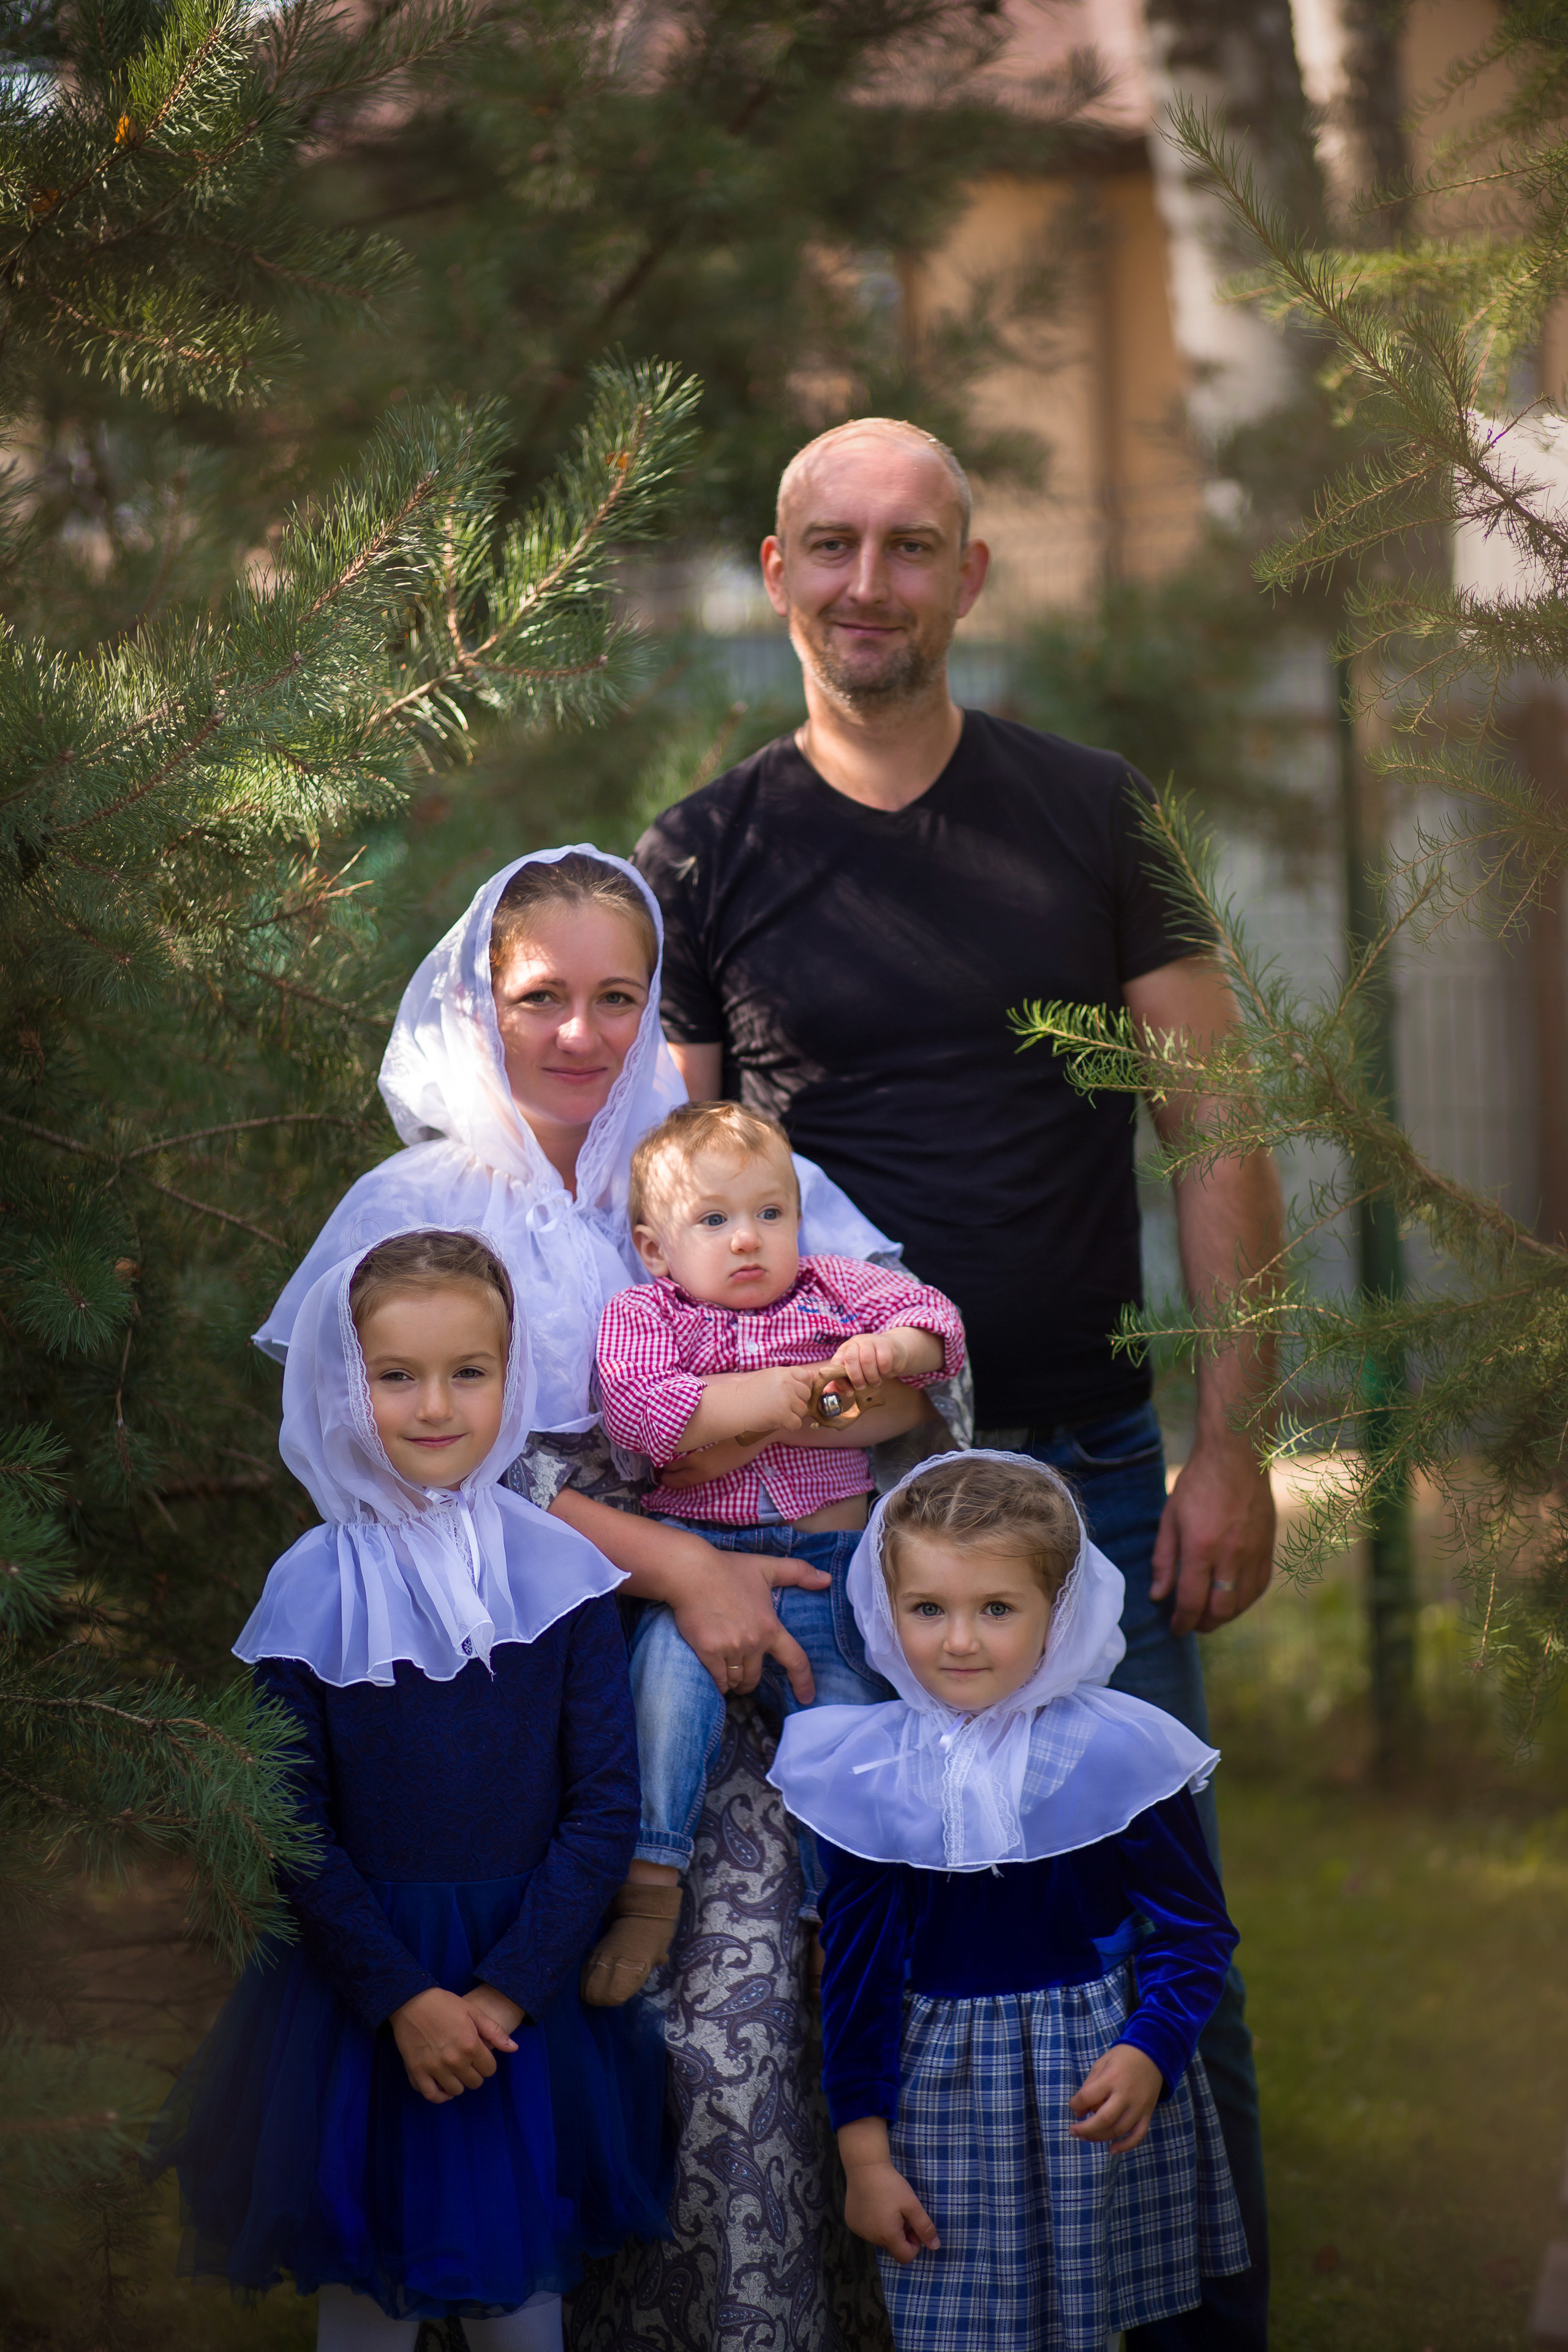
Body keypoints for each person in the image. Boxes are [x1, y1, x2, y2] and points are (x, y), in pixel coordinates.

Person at [635, 416, 1284, 2346]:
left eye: (911, 548)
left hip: (1078, 1484)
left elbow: (1220, 1137)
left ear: (972, 578)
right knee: (872, 1950)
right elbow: (662, 1218)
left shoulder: (1095, 815)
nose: (868, 584)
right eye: (829, 546)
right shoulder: (706, 851)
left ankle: (1204, 2322)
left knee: (1159, 1941)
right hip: (825, 1527)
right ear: (774, 573)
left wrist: (1236, 1444)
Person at [257, 849, 948, 2348]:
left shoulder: (717, 1160)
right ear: (473, 999)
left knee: (752, 2039)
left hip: (779, 1626)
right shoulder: (421, 1201)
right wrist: (683, 1555)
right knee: (597, 2038)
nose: (580, 1034)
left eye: (615, 999)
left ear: (655, 1009)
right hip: (526, 1672)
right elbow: (414, 1466)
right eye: (540, 997)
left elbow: (904, 1391)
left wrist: (725, 1435)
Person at [144, 1229, 671, 2351]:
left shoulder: (561, 1577)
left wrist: (502, 1995)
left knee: (522, 2313)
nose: (436, 1406)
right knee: (362, 2303)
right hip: (360, 1993)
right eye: (396, 1376)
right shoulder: (310, 1584)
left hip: (519, 1991)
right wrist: (406, 2001)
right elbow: (287, 1819)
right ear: (347, 1383)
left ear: (511, 1375)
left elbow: (603, 1808)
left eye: (468, 1372)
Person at [770, 1452, 1248, 2351]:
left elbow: (1196, 1933)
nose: (959, 1641)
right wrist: (865, 2157)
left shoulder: (1117, 1755)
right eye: (928, 1609)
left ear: (1056, 1615)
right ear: (886, 1609)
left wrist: (1152, 2050)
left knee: (1090, 2327)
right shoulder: (876, 1774)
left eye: (996, 1609)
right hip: (943, 2105)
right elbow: (858, 1976)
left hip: (1089, 2091)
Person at [583, 1101, 966, 2003]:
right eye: (713, 1221)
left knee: (846, 1737)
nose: (748, 1240)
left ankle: (850, 1926)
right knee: (662, 1698)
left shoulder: (834, 1289)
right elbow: (645, 1419)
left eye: (770, 1213)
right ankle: (651, 1885)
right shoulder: (645, 1316)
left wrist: (888, 1345)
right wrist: (795, 1399)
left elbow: (938, 1330)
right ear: (654, 1246)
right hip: (700, 1561)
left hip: (831, 1572)